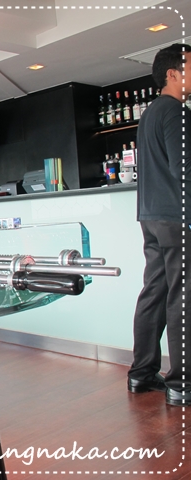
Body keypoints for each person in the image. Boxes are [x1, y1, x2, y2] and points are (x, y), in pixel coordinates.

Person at [128, 43, 191, 406]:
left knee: (155, 292)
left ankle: (141, 373)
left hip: (151, 217)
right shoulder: (176, 111)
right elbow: (184, 169)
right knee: (183, 296)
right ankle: (182, 383)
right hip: (176, 216)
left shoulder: (151, 112)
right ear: (173, 73)